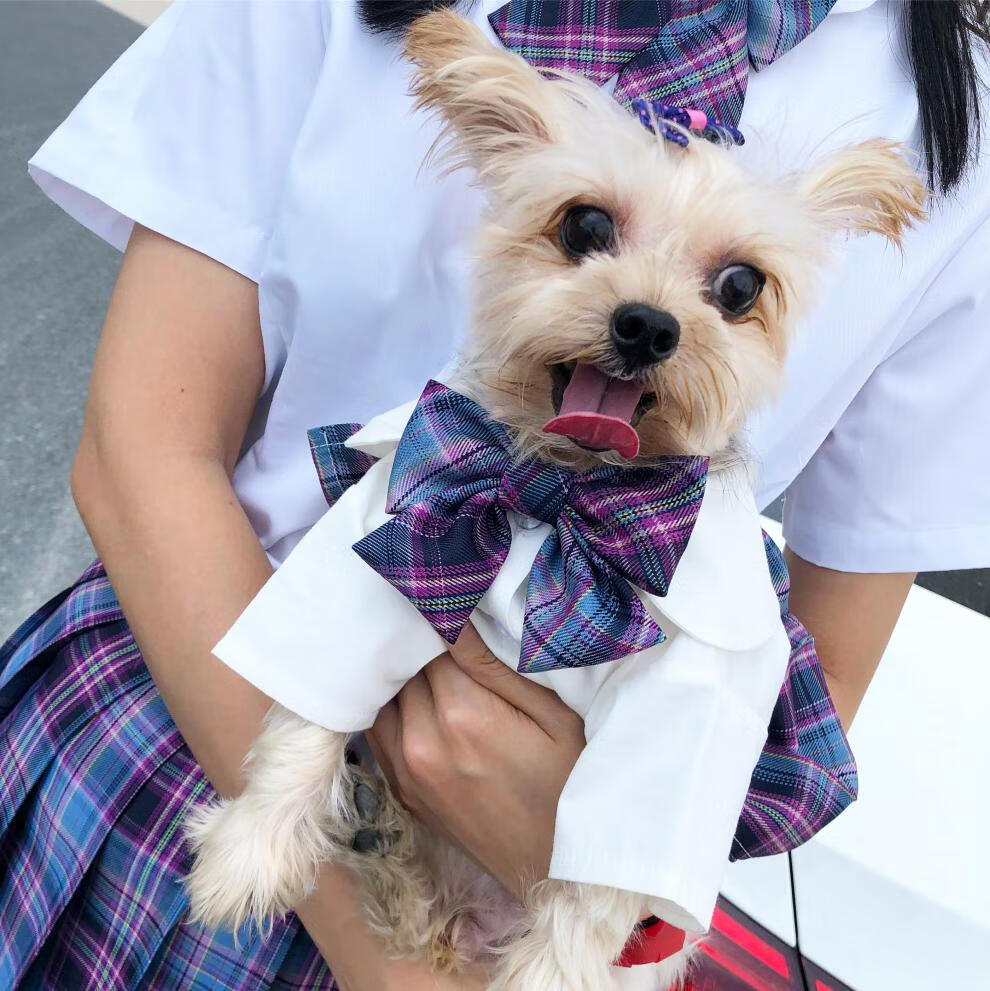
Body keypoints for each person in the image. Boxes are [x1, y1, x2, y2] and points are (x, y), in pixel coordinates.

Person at [1, 1, 988, 988]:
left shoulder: (962, 139)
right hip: (179, 713)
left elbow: (793, 690)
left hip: (548, 898)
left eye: (732, 290)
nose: (648, 313)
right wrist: (384, 958)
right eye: (588, 230)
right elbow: (143, 450)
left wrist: (588, 852)